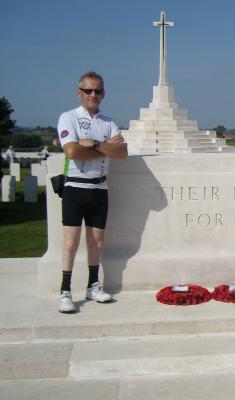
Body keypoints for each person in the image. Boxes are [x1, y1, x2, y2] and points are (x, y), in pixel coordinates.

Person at [56, 71, 128, 313]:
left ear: (104, 94)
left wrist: (95, 144)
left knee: (97, 241)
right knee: (71, 241)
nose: (93, 95)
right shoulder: (68, 118)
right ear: (79, 92)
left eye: (97, 90)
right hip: (75, 186)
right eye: (88, 90)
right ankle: (65, 290)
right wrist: (107, 148)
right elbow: (72, 152)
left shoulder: (108, 122)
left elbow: (122, 153)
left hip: (100, 187)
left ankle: (92, 285)